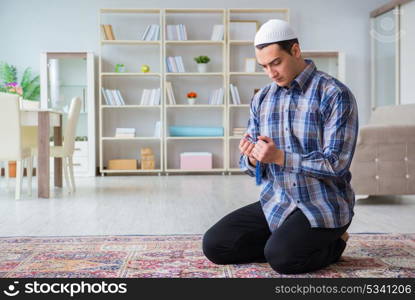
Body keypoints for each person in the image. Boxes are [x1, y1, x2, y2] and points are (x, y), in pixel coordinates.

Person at [202, 19, 359, 274]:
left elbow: (337, 164)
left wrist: (280, 157)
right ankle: (282, 243)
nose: (271, 73)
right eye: (264, 66)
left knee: (283, 260)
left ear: (295, 51)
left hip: (323, 204)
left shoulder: (334, 94)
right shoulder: (262, 98)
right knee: (215, 246)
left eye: (276, 62)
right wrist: (253, 158)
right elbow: (249, 167)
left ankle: (335, 244)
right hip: (277, 200)